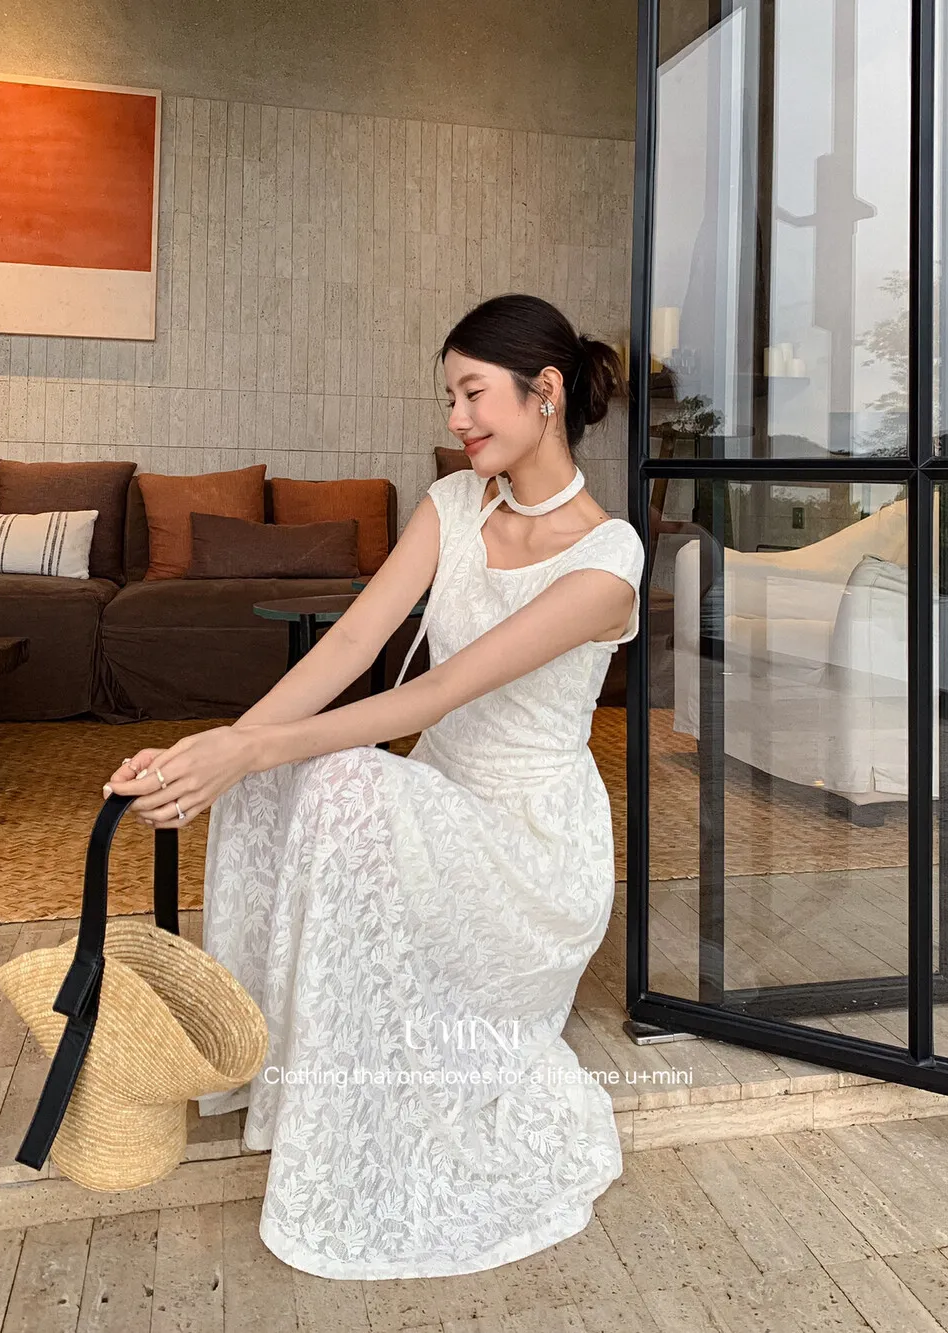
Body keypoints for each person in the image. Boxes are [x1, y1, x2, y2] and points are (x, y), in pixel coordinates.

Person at [103, 293, 646, 1280]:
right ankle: (275, 1058)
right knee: (283, 773)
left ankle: (355, 1097)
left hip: (528, 856)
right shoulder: (454, 505)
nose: (456, 418)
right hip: (440, 804)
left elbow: (434, 692)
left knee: (341, 773)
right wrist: (217, 747)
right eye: (449, 398)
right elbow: (357, 639)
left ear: (546, 391)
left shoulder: (608, 560)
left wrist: (245, 751)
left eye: (472, 393)